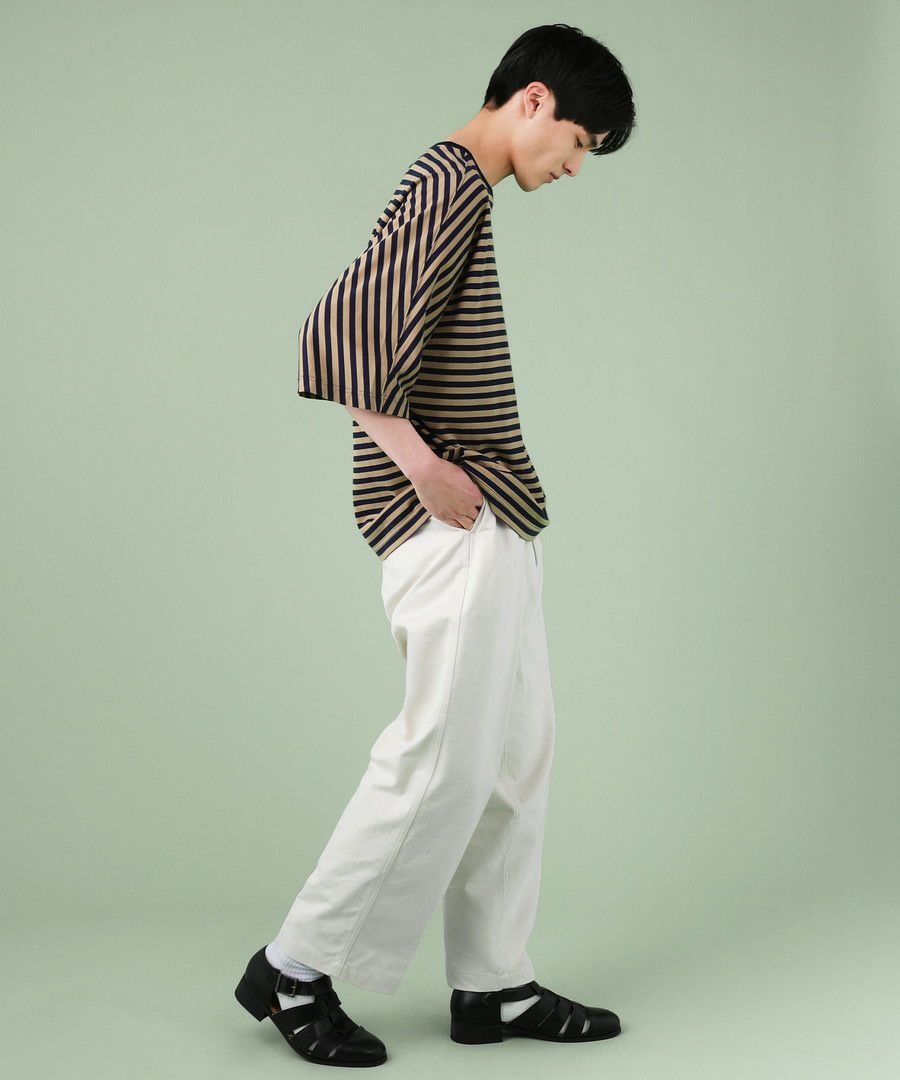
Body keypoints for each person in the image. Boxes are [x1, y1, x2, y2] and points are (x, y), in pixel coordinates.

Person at [234, 22, 636, 1067]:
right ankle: (293, 967)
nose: (575, 168)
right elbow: (337, 328)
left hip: (494, 518)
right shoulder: (452, 182)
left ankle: (493, 984)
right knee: (439, 758)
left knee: (513, 758)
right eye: (580, 142)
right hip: (456, 523)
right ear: (535, 100)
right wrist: (422, 467)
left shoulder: (462, 189)